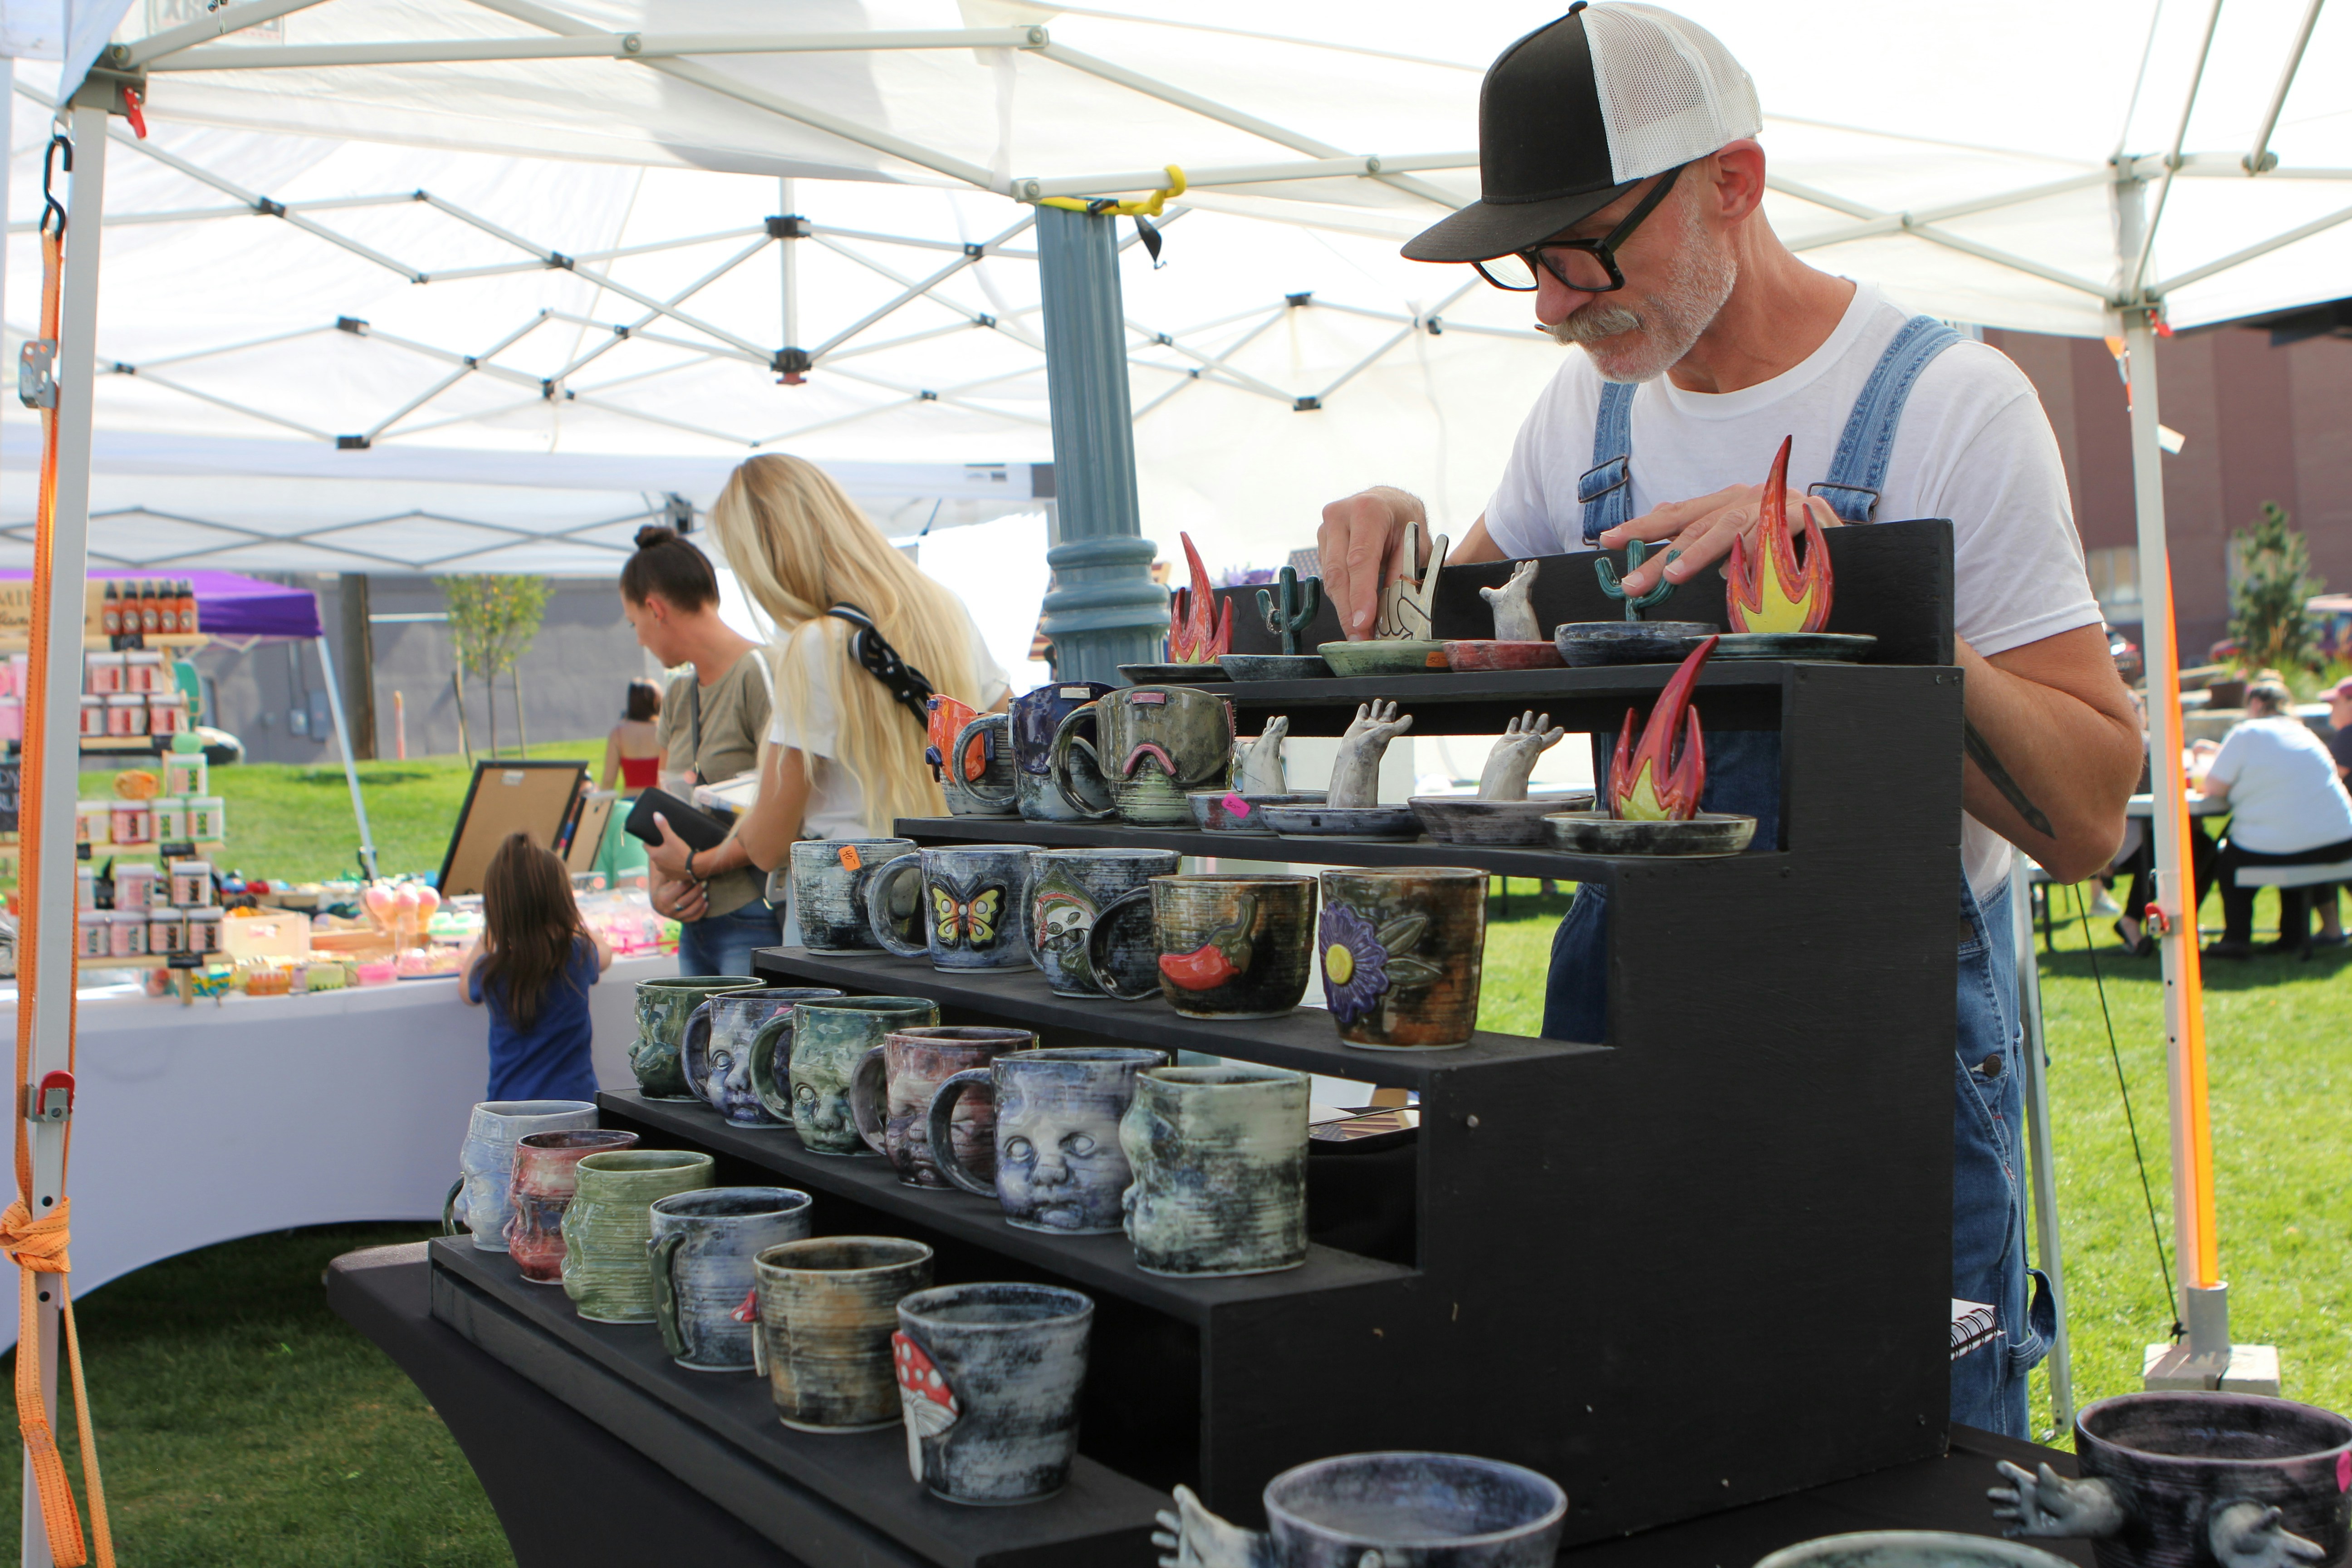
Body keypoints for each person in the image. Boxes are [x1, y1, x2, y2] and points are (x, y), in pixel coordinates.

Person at [1314, 2, 2141, 1437]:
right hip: (1630, 1026)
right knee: (1648, 1419)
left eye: (1584, 251)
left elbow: (2083, 822)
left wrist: (1857, 603)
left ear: (1731, 186)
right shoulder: (1584, 424)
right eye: (1532, 262)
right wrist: (1401, 542)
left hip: (1879, 1047)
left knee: (1902, 1447)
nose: (1552, 305)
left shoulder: (1951, 404)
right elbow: (1463, 654)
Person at [662, 454, 1008, 893]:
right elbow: (1006, 736)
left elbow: (768, 846)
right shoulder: (945, 609)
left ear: (768, 557)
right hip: (952, 886)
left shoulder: (815, 645)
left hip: (850, 893)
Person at [618, 524, 779, 975]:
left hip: (756, 915)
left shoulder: (760, 673)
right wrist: (659, 889)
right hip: (695, 924)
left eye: (635, 623)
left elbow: (784, 814)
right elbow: (662, 806)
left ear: (655, 609)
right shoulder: (678, 693)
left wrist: (693, 865)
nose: (639, 638)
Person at [2198, 680, 2352, 957]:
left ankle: (2236, 938)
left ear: (2256, 704)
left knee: (2229, 860)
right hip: (2340, 839)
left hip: (2290, 844)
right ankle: (2292, 937)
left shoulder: (2247, 732)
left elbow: (2214, 788)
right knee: (2288, 843)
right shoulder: (2303, 734)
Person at [459, 832, 614, 1101]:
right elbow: (606, 954)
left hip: (509, 1107)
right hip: (575, 1104)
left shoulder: (493, 971)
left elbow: (465, 991)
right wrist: (586, 931)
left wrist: (486, 938)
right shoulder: (578, 955)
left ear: (497, 908)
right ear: (564, 901)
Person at [600, 679, 665, 792]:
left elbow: (609, 780)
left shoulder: (619, 733)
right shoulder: (664, 731)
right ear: (657, 701)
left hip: (631, 802)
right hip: (658, 800)